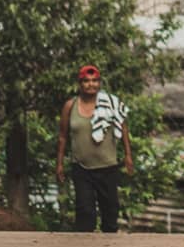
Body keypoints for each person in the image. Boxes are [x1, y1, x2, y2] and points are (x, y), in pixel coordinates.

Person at [56, 65, 133, 233]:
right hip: (81, 168)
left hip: (108, 168)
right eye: (86, 81)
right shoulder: (70, 106)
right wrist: (60, 163)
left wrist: (128, 155)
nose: (91, 84)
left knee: (110, 214)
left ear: (99, 83)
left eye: (94, 81)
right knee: (85, 212)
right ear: (80, 84)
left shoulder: (110, 104)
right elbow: (63, 136)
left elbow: (123, 128)